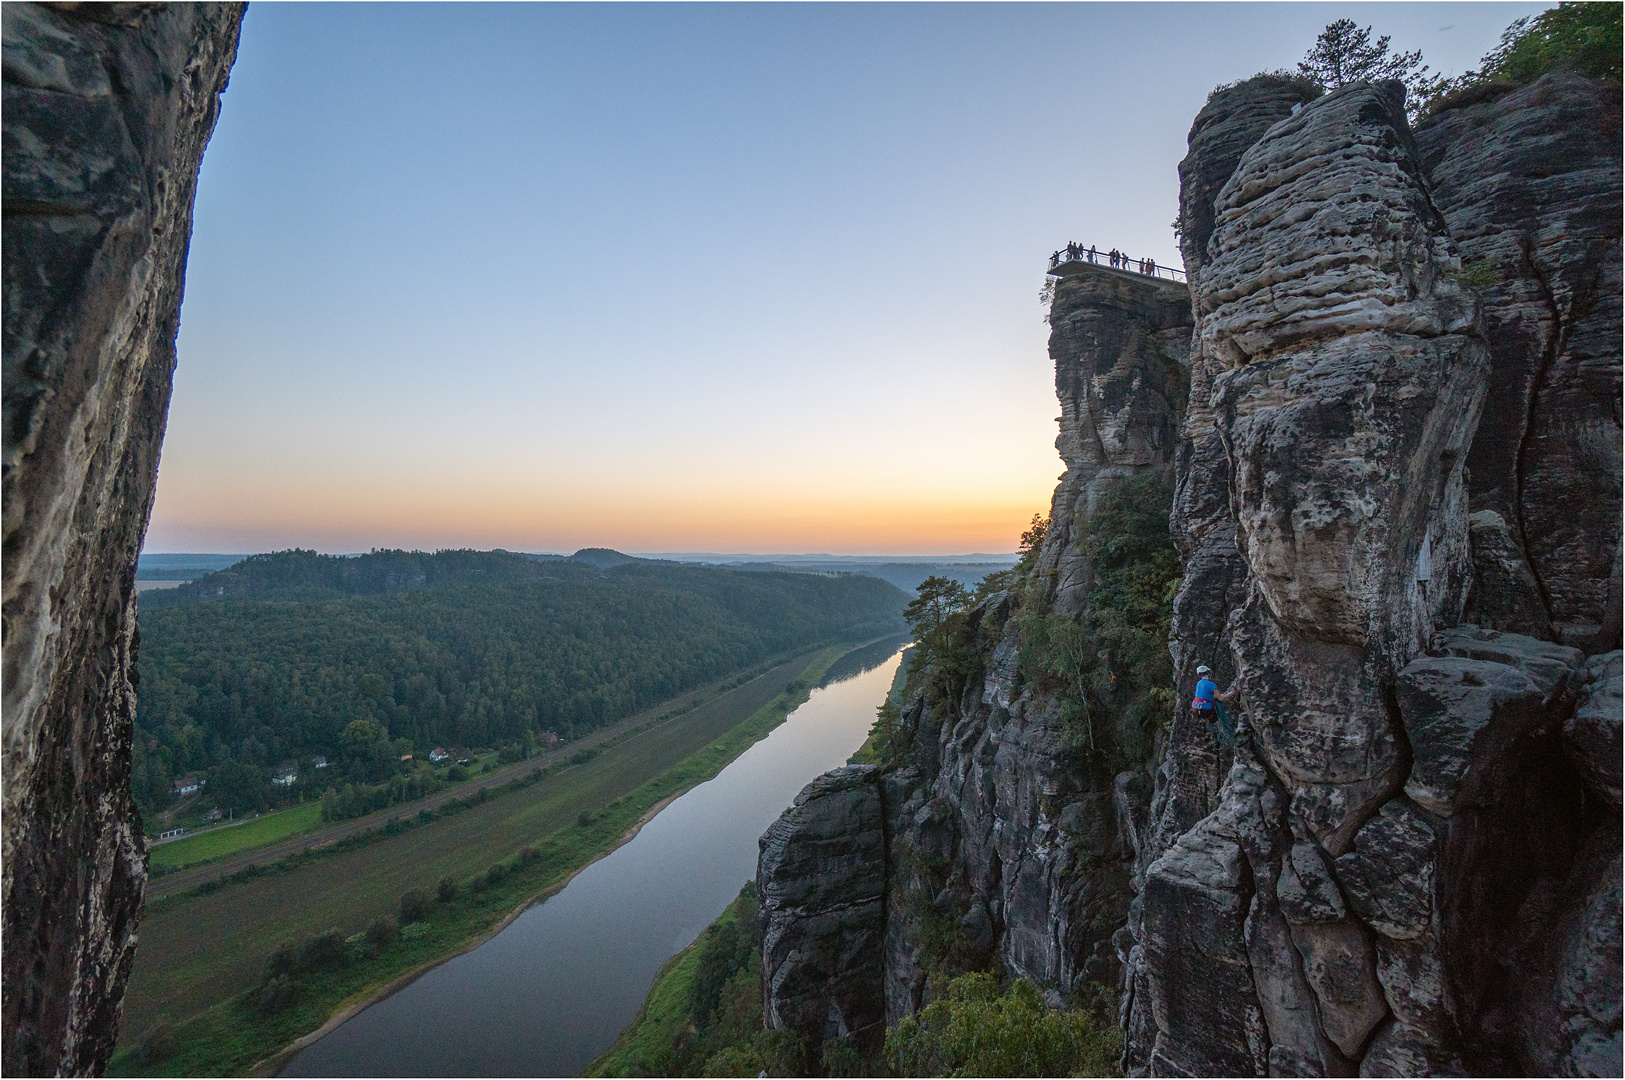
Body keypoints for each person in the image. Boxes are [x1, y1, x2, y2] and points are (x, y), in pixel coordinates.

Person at [1192, 664, 1238, 745]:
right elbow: (1220, 698)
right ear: (1208, 673)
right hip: (1206, 708)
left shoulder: (1198, 683)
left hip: (1196, 708)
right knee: (1220, 723)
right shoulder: (1211, 684)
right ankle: (1232, 738)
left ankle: (1229, 738)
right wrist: (1233, 693)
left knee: (1216, 722)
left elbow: (1204, 696)